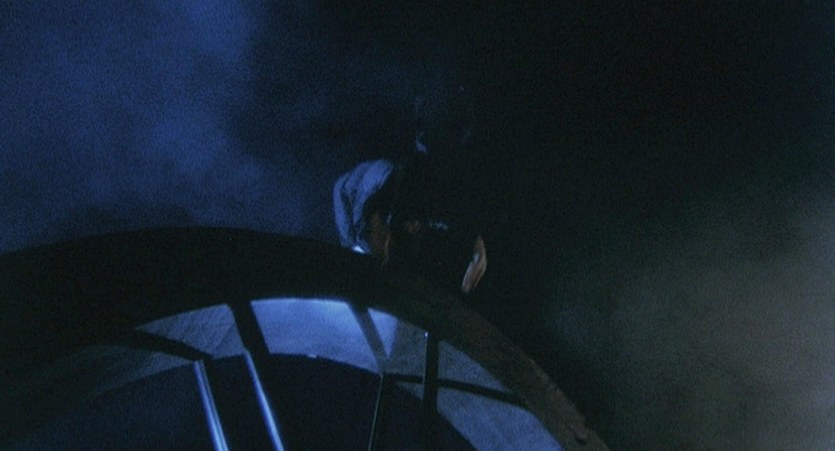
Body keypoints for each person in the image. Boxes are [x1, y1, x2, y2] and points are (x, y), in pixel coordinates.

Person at [333, 84, 487, 294]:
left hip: (389, 196)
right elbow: (376, 221)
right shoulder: (401, 178)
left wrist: (477, 250)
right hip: (352, 194)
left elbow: (470, 234)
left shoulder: (448, 181)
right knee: (360, 247)